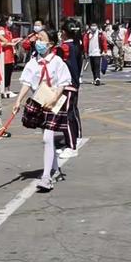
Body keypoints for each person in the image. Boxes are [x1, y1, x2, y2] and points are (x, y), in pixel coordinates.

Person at [12, 29, 72, 191]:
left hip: (53, 103)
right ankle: (56, 170)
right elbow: (26, 83)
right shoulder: (33, 63)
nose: (37, 41)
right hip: (39, 102)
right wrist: (18, 100)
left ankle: (46, 177)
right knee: (48, 139)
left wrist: (54, 98)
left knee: (47, 138)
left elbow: (63, 83)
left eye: (41, 39)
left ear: (50, 44)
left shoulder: (57, 61)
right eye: (37, 38)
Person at [57, 20, 83, 159]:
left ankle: (72, 145)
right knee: (71, 112)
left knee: (68, 115)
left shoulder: (65, 47)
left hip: (67, 84)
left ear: (64, 33)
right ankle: (72, 139)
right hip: (73, 82)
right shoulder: (76, 44)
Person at [0, 15, 20, 98]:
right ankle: (5, 91)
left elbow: (8, 41)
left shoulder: (7, 30)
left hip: (9, 54)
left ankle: (8, 90)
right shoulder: (2, 30)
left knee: (8, 73)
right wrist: (10, 43)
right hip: (5, 55)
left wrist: (15, 40)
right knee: (6, 73)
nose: (11, 21)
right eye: (9, 20)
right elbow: (0, 43)